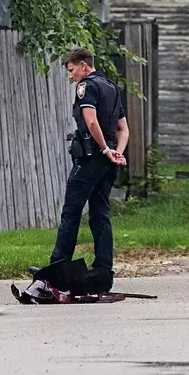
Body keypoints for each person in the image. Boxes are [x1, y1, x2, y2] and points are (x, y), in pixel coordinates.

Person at [45, 47, 129, 292]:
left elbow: (91, 121)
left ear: (83, 65)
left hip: (91, 159)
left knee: (70, 213)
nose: (71, 76)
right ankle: (103, 273)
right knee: (100, 214)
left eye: (71, 70)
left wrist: (103, 149)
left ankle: (57, 269)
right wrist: (117, 153)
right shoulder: (112, 87)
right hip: (108, 163)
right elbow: (124, 129)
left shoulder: (86, 87)